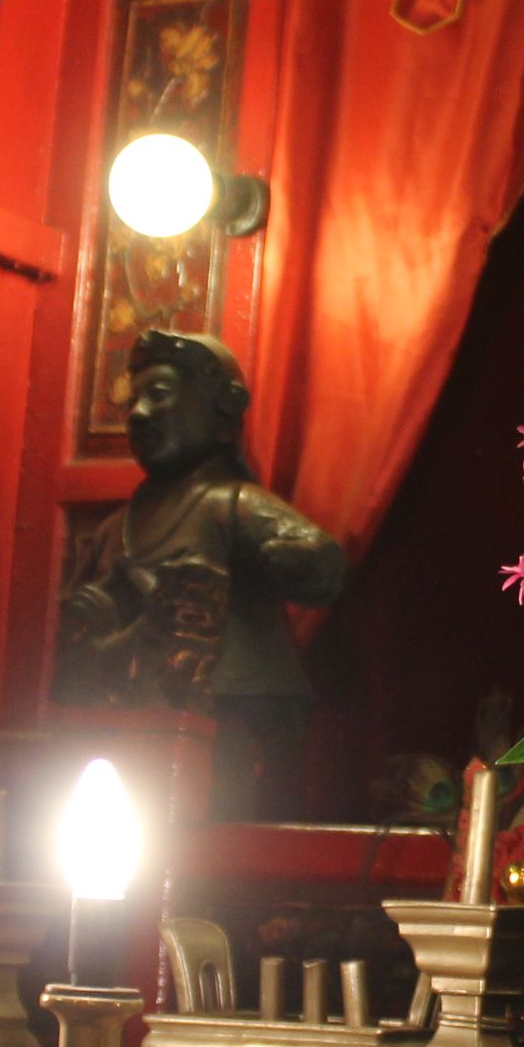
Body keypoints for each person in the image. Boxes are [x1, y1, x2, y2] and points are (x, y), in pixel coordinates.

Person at [54, 328, 347, 814]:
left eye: (159, 394)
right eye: (133, 400)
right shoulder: (114, 529)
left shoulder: (230, 505)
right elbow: (78, 633)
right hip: (129, 726)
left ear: (219, 414)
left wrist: (297, 558)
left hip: (230, 721)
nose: (139, 413)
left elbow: (323, 564)